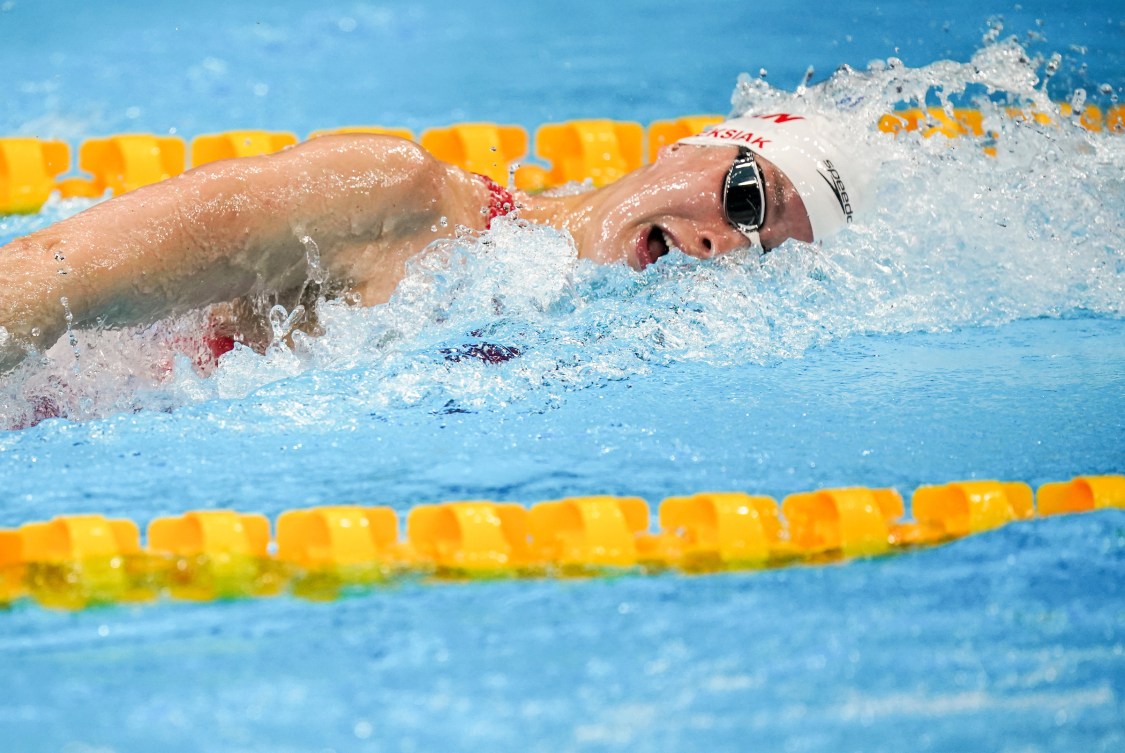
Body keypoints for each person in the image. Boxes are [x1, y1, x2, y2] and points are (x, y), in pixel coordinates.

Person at [0, 111, 867, 373]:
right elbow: (46, 278)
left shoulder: (588, 351)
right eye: (745, 195)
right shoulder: (390, 195)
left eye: (762, 254)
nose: (723, 244)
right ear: (685, 147)